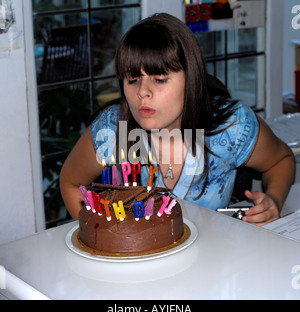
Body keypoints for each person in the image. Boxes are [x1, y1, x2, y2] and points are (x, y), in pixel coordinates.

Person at [60, 13, 295, 226]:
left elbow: (281, 159)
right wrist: (100, 237)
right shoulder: (112, 131)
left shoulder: (232, 127)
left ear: (191, 79)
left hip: (214, 261)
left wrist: (273, 200)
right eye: (132, 80)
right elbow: (70, 183)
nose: (142, 92)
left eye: (159, 79)